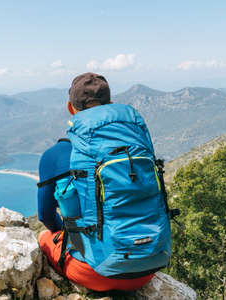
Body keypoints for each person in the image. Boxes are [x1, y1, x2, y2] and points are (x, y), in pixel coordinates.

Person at [37, 73, 154, 291]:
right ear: (110, 105)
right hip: (148, 265)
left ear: (70, 108)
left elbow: (46, 216)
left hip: (95, 271)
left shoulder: (55, 155)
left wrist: (71, 231)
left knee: (45, 237)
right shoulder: (132, 146)